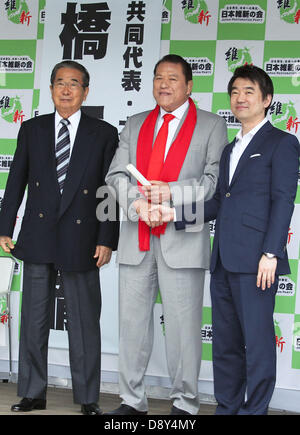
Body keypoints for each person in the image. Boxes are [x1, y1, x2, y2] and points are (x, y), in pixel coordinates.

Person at [152, 65, 300, 415]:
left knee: (258, 343)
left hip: (257, 262)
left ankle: (254, 410)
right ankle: (228, 406)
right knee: (225, 343)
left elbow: (283, 199)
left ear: (266, 100)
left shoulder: (282, 143)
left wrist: (271, 253)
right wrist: (175, 214)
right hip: (222, 260)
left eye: (249, 91)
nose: (240, 98)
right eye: (234, 92)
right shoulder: (230, 148)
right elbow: (219, 201)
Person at [105, 54, 227, 415]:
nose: (164, 84)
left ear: (189, 86)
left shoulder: (211, 125)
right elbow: (115, 176)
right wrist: (138, 206)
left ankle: (185, 403)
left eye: (173, 78)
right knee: (132, 328)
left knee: (184, 331)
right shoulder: (136, 123)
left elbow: (213, 183)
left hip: (183, 239)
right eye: (159, 77)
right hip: (137, 237)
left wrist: (169, 192)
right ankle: (131, 401)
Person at [0, 60, 119, 415]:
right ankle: (33, 393)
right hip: (38, 235)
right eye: (60, 83)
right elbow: (16, 181)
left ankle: (87, 399)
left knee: (84, 323)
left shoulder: (104, 133)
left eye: (74, 84)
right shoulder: (32, 129)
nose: (66, 90)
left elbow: (109, 192)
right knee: (33, 320)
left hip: (83, 239)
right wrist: (5, 227)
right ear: (51, 88)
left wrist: (107, 238)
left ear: (86, 91)